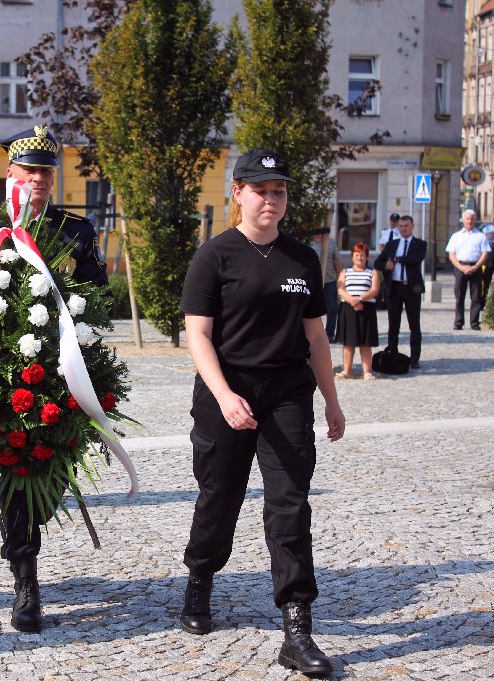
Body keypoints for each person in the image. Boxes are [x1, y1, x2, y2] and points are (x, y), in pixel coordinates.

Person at [178, 148, 344, 677]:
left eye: (279, 191)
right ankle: (200, 579)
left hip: (287, 395)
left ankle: (297, 629)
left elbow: (316, 336)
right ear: (239, 194)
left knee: (290, 506)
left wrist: (333, 401)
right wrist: (226, 397)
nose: (271, 199)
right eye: (261, 189)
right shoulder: (216, 255)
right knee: (219, 498)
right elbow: (197, 335)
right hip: (227, 391)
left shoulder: (302, 259)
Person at [0, 126, 108, 633]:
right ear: (11, 174)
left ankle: (22, 534)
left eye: (45, 171)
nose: (38, 179)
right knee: (18, 470)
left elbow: (100, 298)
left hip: (64, 375)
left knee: (52, 472)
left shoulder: (75, 232)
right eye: (29, 170)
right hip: (1, 376)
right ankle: (26, 578)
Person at [374, 215, 426, 369]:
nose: (403, 229)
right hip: (395, 287)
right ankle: (392, 353)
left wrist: (397, 260)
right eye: (401, 226)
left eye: (406, 226)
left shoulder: (420, 244)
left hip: (411, 288)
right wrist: (386, 265)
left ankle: (415, 358)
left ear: (412, 226)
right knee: (393, 324)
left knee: (414, 324)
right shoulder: (392, 244)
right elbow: (378, 262)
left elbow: (416, 259)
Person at [335, 242, 380, 379]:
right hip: (348, 309)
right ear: (352, 256)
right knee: (348, 342)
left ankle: (367, 371)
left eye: (362, 255)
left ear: (367, 257)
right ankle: (347, 371)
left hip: (366, 308)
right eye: (357, 255)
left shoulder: (372, 272)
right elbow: (340, 289)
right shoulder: (345, 272)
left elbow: (374, 290)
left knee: (365, 342)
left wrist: (359, 299)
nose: (359, 258)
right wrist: (352, 300)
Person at [446, 209, 490, 330]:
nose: (469, 221)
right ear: (463, 220)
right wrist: (461, 267)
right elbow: (451, 255)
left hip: (475, 267)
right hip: (460, 267)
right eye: (467, 219)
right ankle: (458, 322)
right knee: (459, 296)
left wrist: (475, 267)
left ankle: (474, 322)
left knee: (476, 297)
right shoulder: (456, 236)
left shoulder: (480, 236)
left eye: (471, 219)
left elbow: (485, 253)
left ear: (475, 220)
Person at [309, 232, 340, 341]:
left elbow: (336, 260)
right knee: (311, 309)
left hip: (330, 280)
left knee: (332, 308)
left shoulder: (331, 242)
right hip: (313, 281)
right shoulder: (309, 242)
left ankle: (330, 334)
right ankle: (312, 335)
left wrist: (340, 278)